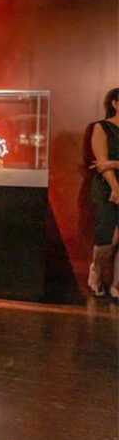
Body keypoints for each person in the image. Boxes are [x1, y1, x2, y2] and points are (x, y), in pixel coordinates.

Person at [88, 87, 119, 301]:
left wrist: (114, 162)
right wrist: (116, 187)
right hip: (107, 185)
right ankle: (96, 274)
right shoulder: (101, 127)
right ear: (115, 103)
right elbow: (101, 163)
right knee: (108, 236)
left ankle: (116, 285)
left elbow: (109, 161)